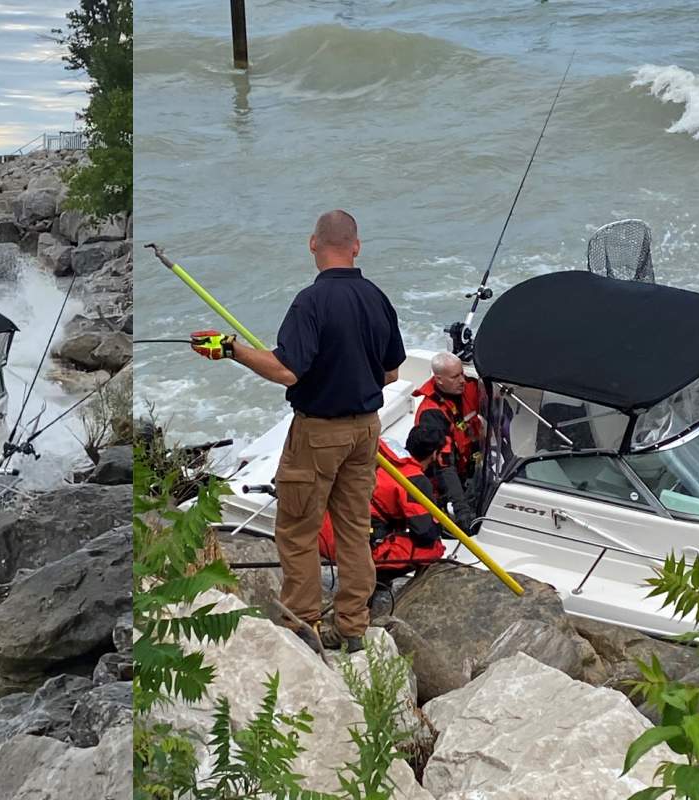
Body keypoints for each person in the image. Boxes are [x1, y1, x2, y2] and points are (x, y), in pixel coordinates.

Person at [190, 209, 405, 653]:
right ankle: (352, 627)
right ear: (356, 246)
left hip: (319, 433)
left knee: (298, 531)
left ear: (312, 244)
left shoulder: (311, 302)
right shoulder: (377, 298)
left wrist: (232, 350)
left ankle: (303, 628)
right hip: (366, 431)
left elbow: (287, 371)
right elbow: (391, 374)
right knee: (353, 528)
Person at [318, 426, 446, 573]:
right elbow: (425, 533)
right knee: (433, 548)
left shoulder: (383, 455)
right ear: (434, 454)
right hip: (350, 548)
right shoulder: (414, 479)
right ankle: (377, 579)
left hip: (323, 531)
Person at [411, 352, 484, 530]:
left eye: (462, 374)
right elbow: (444, 467)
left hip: (473, 468)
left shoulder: (469, 388)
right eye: (455, 376)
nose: (462, 380)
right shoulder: (431, 415)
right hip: (445, 482)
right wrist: (461, 511)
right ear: (439, 380)